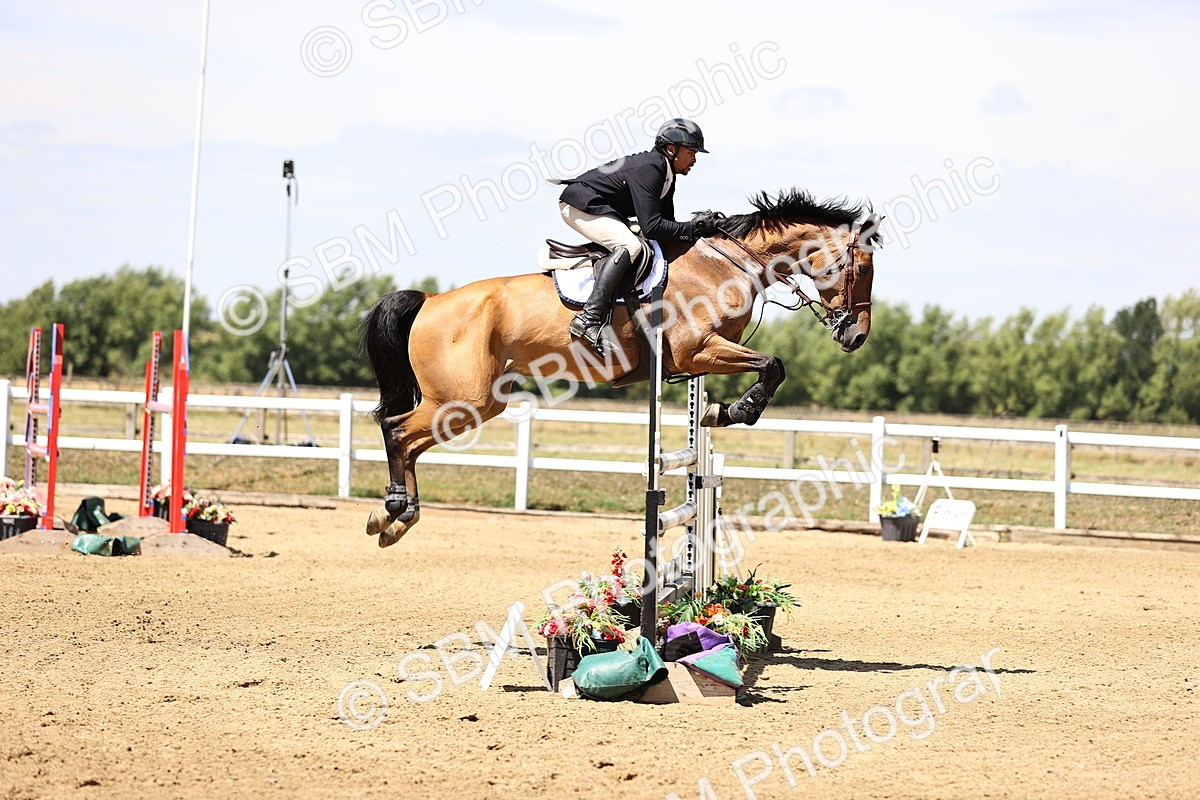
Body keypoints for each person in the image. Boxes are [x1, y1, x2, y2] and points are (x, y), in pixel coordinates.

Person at [556, 118, 724, 356]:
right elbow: (653, 226)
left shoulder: (667, 175)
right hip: (579, 204)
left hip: (602, 208)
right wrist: (692, 227)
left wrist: (699, 232)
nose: (694, 159)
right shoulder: (651, 168)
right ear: (670, 149)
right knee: (630, 245)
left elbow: (668, 228)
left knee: (644, 244)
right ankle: (588, 318)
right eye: (691, 152)